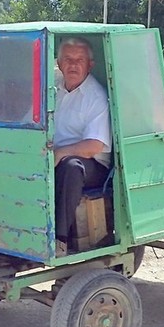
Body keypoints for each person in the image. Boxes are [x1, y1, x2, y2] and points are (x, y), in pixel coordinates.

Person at [53, 37, 112, 255]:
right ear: (59, 64)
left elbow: (95, 145)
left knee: (71, 167)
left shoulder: (96, 97)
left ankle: (59, 238)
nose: (73, 64)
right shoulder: (53, 89)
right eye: (68, 59)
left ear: (90, 65)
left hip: (92, 165)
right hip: (56, 156)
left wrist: (60, 153)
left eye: (80, 60)